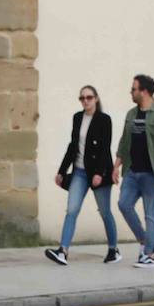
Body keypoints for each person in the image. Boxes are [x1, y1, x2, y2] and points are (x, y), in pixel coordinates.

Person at [46, 85, 118, 265]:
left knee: (105, 212)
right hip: (79, 172)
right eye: (82, 98)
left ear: (96, 99)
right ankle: (63, 251)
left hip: (97, 173)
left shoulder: (104, 119)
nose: (85, 101)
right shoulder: (77, 118)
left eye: (89, 97)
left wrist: (100, 173)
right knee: (71, 210)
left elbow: (105, 148)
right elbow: (73, 146)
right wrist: (62, 171)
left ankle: (113, 250)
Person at [114, 73, 154, 268]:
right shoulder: (131, 114)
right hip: (132, 171)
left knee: (151, 213)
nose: (131, 92)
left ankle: (150, 255)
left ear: (144, 91)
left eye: (133, 89)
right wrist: (116, 167)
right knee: (124, 204)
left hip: (151, 172)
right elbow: (124, 142)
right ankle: (144, 240)